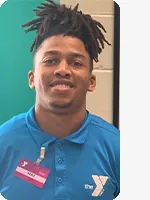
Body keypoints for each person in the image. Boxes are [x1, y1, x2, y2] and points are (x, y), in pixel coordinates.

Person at [0, 0, 120, 200]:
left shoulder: (118, 148)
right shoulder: (3, 142)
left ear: (91, 81)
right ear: (32, 78)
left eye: (76, 62)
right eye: (50, 60)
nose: (63, 70)